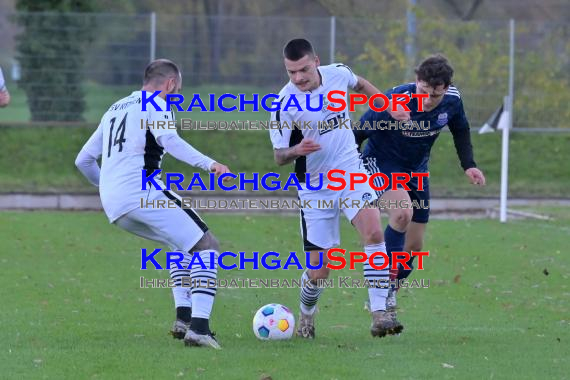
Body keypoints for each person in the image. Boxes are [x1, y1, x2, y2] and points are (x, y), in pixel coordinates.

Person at [75, 59, 231, 349]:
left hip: (114, 205)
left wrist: (107, 186)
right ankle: (200, 329)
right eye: (178, 91)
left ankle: (184, 319)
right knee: (207, 244)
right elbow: (170, 141)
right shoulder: (157, 104)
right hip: (142, 193)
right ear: (170, 85)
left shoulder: (115, 108)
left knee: (180, 243)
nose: (177, 97)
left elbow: (82, 160)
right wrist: (210, 164)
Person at [269, 38, 410, 339]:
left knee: (373, 231)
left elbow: (360, 84)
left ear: (316, 61)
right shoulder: (283, 104)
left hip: (350, 171)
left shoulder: (337, 74)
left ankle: (378, 313)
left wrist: (388, 107)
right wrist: (297, 150)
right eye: (291, 72)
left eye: (303, 70)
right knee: (319, 270)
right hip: (315, 187)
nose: (298, 78)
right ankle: (306, 316)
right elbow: (279, 156)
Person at [355, 54, 486, 329]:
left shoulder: (452, 100)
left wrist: (469, 165)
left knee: (413, 246)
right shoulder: (392, 100)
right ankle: (383, 301)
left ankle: (388, 296)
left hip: (416, 169)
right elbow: (358, 132)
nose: (427, 100)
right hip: (381, 162)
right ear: (417, 81)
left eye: (434, 96)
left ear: (446, 88)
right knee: (402, 213)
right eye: (423, 91)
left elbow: (460, 129)